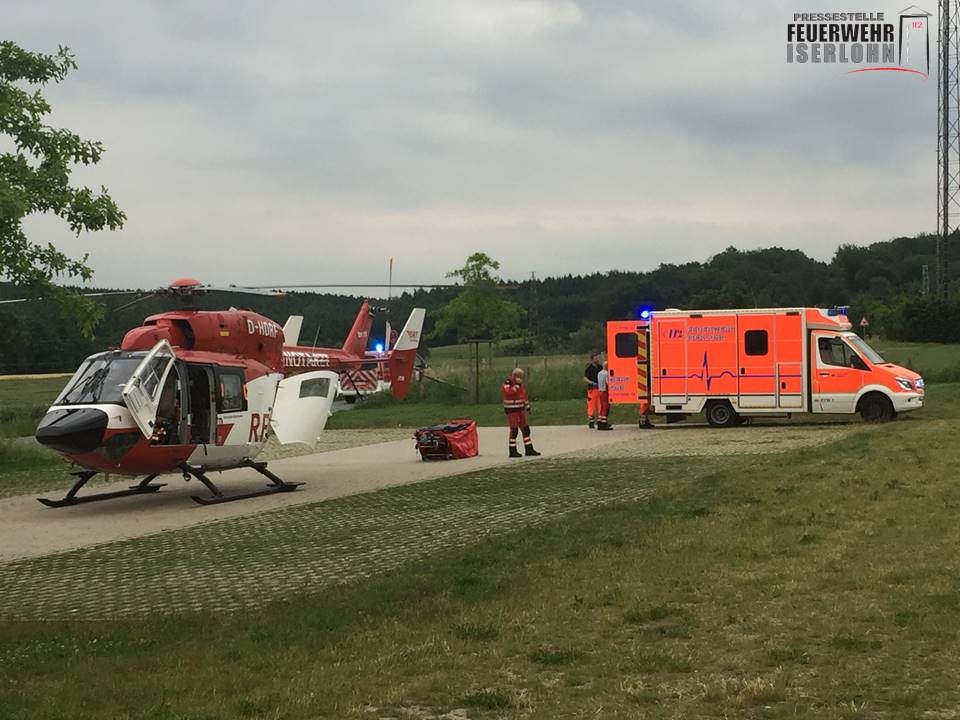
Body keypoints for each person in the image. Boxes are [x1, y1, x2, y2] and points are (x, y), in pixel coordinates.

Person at [502, 368, 541, 458]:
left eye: (522, 377)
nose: (521, 379)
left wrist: (527, 407)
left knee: (526, 429)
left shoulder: (521, 386)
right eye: (519, 377)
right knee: (514, 430)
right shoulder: (508, 383)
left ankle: (529, 449)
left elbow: (523, 396)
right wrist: (516, 386)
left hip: (520, 409)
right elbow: (508, 393)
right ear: (514, 376)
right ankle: (512, 450)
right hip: (512, 410)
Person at [583, 351, 602, 428]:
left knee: (600, 405)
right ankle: (591, 421)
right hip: (592, 390)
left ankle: (600, 420)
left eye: (597, 358)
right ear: (592, 359)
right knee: (591, 405)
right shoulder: (589, 369)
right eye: (595, 358)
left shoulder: (600, 367)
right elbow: (585, 378)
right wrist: (591, 382)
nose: (597, 359)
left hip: (600, 389)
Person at [596, 361, 613, 430]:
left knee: (602, 406)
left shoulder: (599, 373)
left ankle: (600, 422)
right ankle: (604, 423)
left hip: (600, 390)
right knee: (605, 407)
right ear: (606, 366)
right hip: (605, 391)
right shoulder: (606, 374)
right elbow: (608, 383)